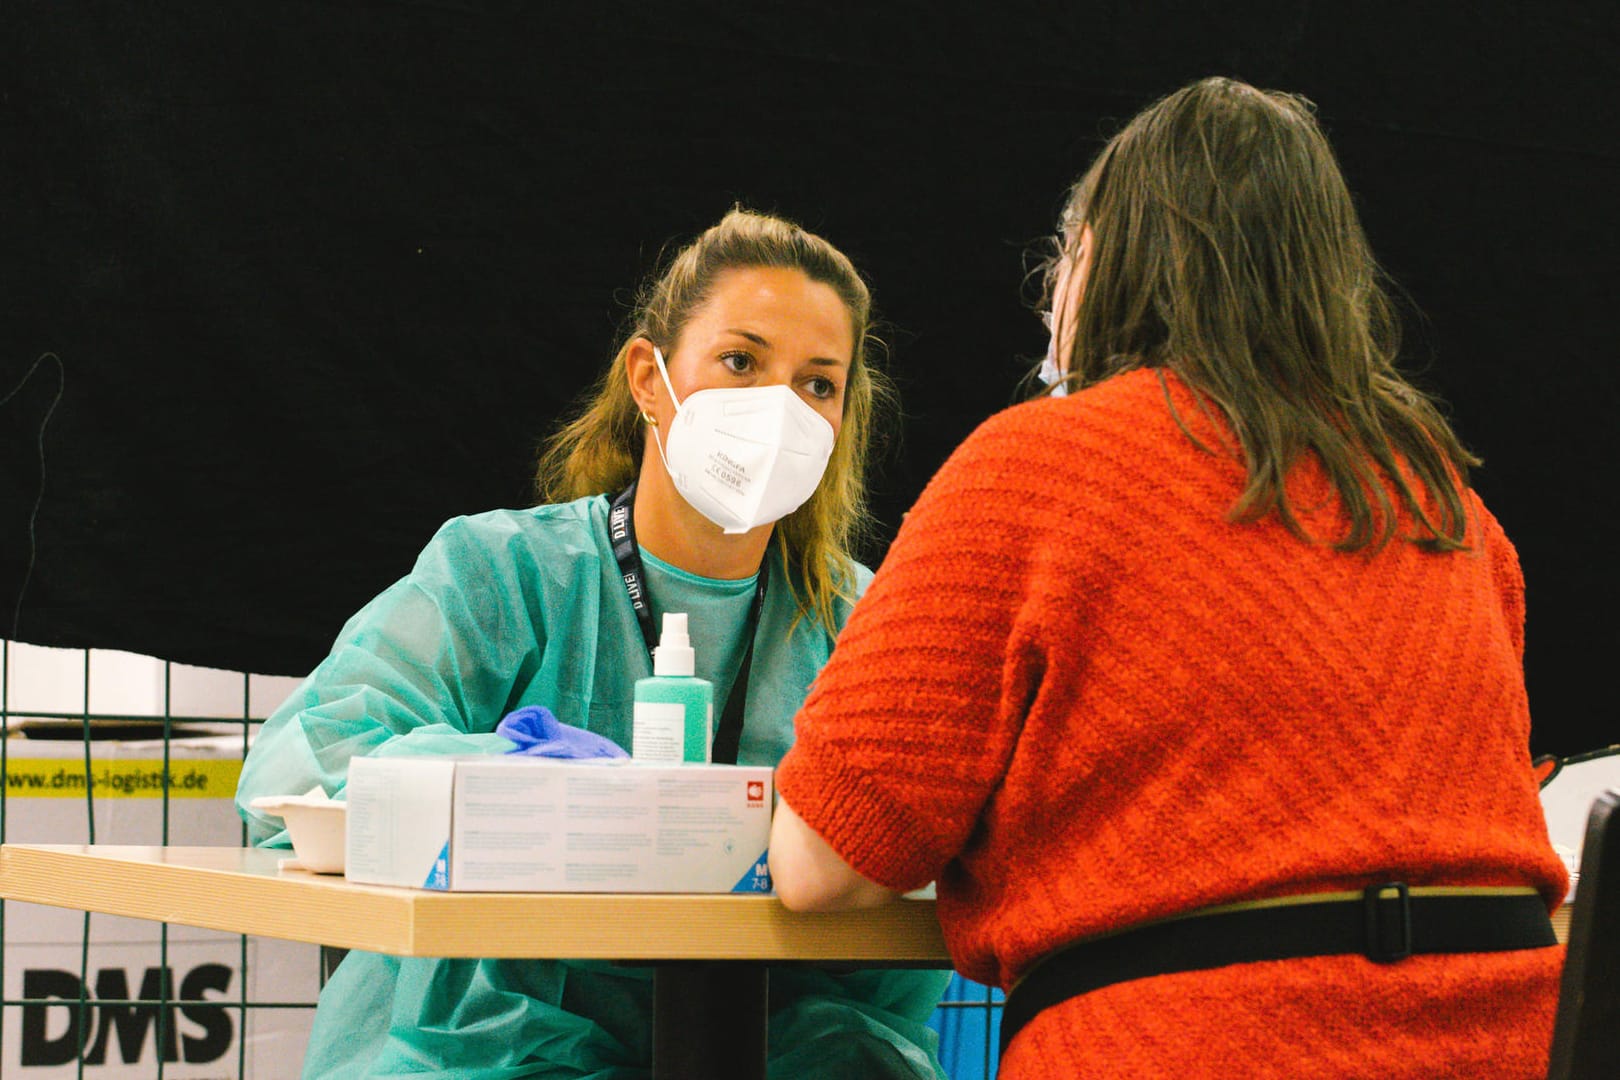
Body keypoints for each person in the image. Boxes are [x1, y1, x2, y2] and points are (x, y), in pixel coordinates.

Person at [767, 78, 1568, 1078]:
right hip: (1516, 1040)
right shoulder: (1447, 507)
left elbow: (820, 863)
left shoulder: (1036, 468)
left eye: (1064, 253)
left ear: (1097, 260)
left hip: (1184, 1042)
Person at [236, 208, 951, 1079]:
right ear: (650, 380)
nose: (779, 409)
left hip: (778, 1047)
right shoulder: (502, 573)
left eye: (817, 384)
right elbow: (296, 773)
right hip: (490, 1047)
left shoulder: (870, 622)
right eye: (740, 361)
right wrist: (519, 781)